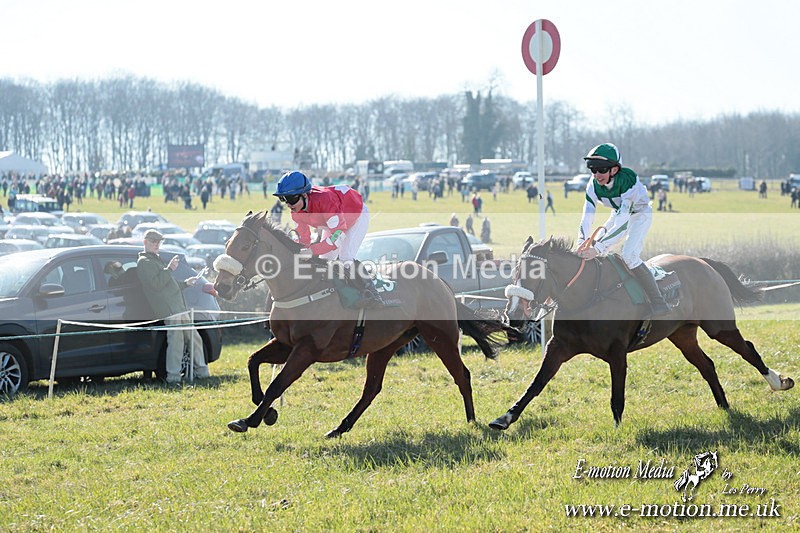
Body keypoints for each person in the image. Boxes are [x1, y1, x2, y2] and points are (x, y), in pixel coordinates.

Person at [575, 143, 671, 316]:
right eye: (592, 169)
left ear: (614, 169)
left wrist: (597, 249)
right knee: (594, 246)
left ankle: (659, 302)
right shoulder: (592, 184)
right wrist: (581, 242)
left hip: (639, 215)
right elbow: (587, 215)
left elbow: (623, 223)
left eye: (601, 169)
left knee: (628, 255)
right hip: (617, 213)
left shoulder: (628, 181)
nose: (597, 175)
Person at [273, 170, 383, 309]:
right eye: (283, 199)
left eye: (291, 199)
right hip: (333, 223)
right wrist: (299, 252)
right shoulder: (296, 212)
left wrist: (312, 250)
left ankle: (373, 295)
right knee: (324, 261)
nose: (288, 204)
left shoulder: (325, 201)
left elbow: (337, 237)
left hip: (356, 215)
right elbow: (304, 239)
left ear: (305, 195)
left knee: (345, 258)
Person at [137, 229, 210, 384]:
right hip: (169, 309)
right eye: (153, 241)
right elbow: (156, 285)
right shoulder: (144, 262)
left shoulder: (155, 259)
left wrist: (186, 283)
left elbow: (169, 284)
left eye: (158, 242)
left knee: (194, 339)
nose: (156, 244)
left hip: (178, 306)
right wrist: (170, 269)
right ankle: (173, 378)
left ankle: (203, 373)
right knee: (176, 343)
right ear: (145, 242)